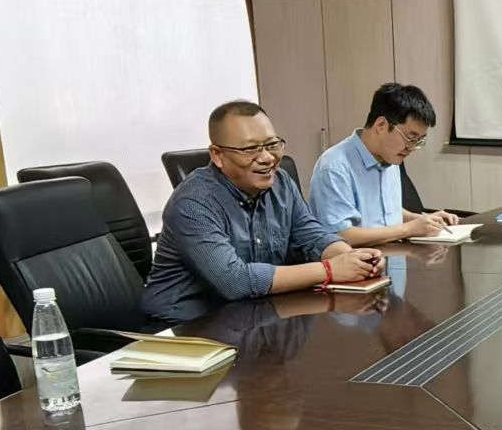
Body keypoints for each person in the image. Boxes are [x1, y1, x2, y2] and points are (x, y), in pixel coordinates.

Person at [141, 100, 384, 325]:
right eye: (250, 149)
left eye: (272, 145)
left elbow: (311, 234)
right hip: (183, 330)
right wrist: (330, 270)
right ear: (218, 155)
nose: (267, 158)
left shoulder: (281, 183)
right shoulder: (193, 203)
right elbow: (235, 281)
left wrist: (354, 259)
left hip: (251, 316)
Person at [310, 83, 458, 245]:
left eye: (419, 141)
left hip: (393, 255)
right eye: (410, 138)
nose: (412, 148)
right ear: (381, 125)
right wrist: (408, 229)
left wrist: (423, 220)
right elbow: (341, 235)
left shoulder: (389, 158)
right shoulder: (334, 167)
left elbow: (386, 212)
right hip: (360, 259)